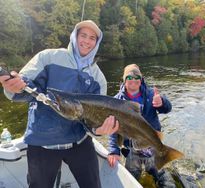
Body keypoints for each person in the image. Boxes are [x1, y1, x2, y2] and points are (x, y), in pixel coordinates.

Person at [0, 20, 119, 188]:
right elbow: (25, 87)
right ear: (74, 36)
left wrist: (99, 131)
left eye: (92, 38)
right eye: (83, 35)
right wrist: (15, 87)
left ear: (97, 43)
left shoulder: (99, 78)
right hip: (42, 142)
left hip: (79, 142)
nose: (87, 41)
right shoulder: (48, 57)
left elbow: (94, 120)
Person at [107, 64, 176, 188]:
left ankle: (163, 162)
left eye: (136, 77)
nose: (133, 80)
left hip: (152, 146)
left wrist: (162, 103)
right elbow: (112, 130)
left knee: (166, 182)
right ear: (124, 79)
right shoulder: (116, 102)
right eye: (129, 77)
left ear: (141, 79)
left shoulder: (151, 95)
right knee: (131, 181)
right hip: (131, 150)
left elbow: (167, 108)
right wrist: (113, 150)